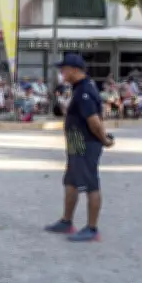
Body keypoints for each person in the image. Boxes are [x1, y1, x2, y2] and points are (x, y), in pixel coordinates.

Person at [44, 54, 114, 242]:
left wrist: (105, 140)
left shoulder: (84, 91)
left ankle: (92, 229)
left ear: (75, 70)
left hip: (86, 142)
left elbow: (94, 122)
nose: (61, 73)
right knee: (71, 181)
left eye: (64, 69)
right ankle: (66, 221)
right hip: (76, 140)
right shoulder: (78, 89)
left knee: (90, 183)